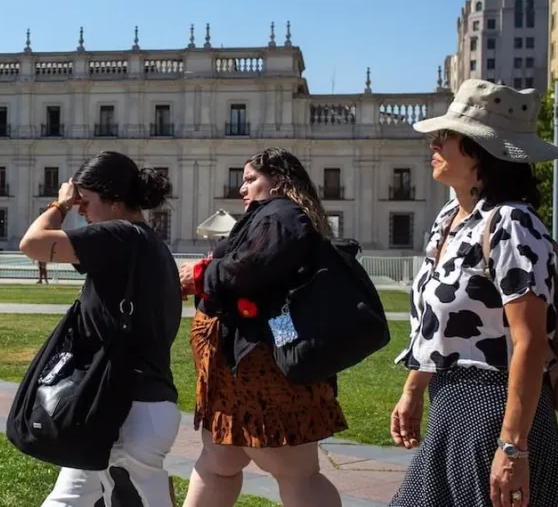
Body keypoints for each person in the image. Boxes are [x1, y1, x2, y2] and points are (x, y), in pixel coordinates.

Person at [389, 79, 558, 507]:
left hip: (496, 411)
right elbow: (438, 324)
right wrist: (414, 390)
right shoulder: (451, 217)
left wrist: (513, 448)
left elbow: (530, 341)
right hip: (450, 405)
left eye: (446, 135)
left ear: (481, 151)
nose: (434, 142)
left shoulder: (512, 224)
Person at [179, 147, 346, 507]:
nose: (243, 189)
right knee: (218, 463)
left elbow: (251, 269)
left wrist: (200, 274)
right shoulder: (271, 217)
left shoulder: (282, 215)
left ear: (279, 182)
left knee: (297, 472)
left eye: (251, 179)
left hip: (263, 371)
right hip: (237, 371)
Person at [18, 150, 181, 507]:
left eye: (85, 200)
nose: (80, 210)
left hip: (127, 405)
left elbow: (32, 243)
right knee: (70, 498)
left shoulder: (121, 236)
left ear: (113, 198)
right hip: (126, 403)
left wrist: (57, 205)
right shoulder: (149, 244)